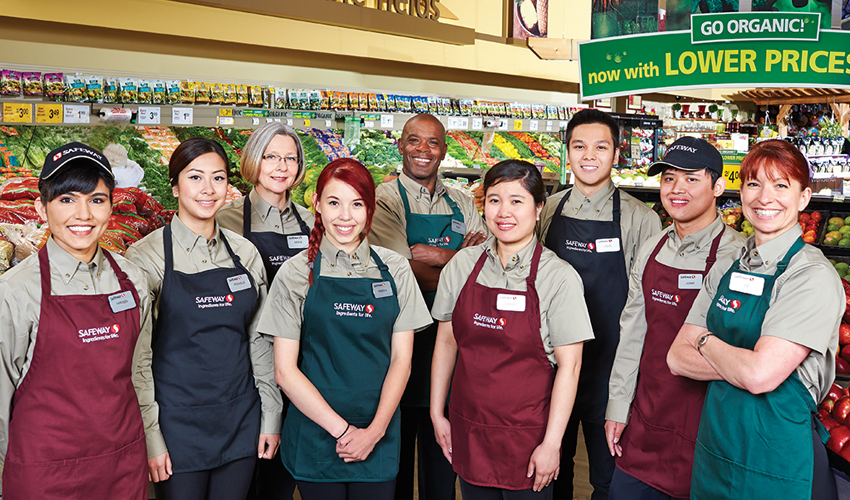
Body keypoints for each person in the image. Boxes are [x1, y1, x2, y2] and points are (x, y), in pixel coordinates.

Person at [668, 139, 842, 499]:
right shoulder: (728, 265)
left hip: (777, 461)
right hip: (717, 452)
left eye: (781, 185)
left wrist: (705, 341)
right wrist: (744, 366)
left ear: (804, 198)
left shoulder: (810, 275)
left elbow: (759, 375)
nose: (765, 197)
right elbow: (676, 358)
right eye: (753, 184)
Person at [259, 158, 431, 500]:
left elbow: (401, 360)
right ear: (317, 204)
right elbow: (284, 370)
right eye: (334, 203)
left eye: (357, 204)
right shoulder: (296, 273)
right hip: (316, 432)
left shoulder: (395, 269)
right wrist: (343, 431)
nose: (345, 216)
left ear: (370, 209)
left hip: (378, 431)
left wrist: (374, 431)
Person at [0, 142, 162, 499]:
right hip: (44, 472)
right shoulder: (16, 291)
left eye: (97, 200)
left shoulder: (133, 281)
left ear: (110, 206)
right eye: (67, 200)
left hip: (121, 466)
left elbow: (140, 371)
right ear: (43, 209)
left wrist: (152, 441)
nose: (83, 214)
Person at [126, 137, 282, 500]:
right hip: (176, 423)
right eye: (195, 177)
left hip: (240, 416)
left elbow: (259, 343)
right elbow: (138, 360)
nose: (208, 190)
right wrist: (151, 436)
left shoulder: (245, 253)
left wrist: (270, 416)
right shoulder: (145, 258)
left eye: (219, 178)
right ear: (175, 185)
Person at [431, 160, 592, 500]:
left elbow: (570, 366)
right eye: (494, 199)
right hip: (469, 429)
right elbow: (447, 341)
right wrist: (436, 412)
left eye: (516, 200)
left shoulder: (558, 277)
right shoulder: (462, 265)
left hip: (528, 437)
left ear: (538, 208)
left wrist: (552, 443)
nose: (504, 212)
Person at [604, 137, 746, 500]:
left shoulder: (739, 255)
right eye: (669, 178)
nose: (677, 189)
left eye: (691, 178)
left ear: (718, 186)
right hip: (647, 417)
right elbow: (632, 333)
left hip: (709, 423)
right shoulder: (651, 248)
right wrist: (618, 406)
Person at [537, 108, 660, 500]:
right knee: (550, 469)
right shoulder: (546, 211)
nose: (589, 155)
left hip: (611, 370)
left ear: (616, 152)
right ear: (568, 152)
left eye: (601, 146)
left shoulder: (641, 219)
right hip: (551, 367)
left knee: (608, 477)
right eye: (579, 146)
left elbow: (644, 306)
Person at [369, 113, 486, 500]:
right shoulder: (384, 200)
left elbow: (485, 265)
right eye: (414, 140)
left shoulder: (461, 200)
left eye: (433, 142)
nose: (423, 150)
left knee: (443, 459)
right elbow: (399, 272)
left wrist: (436, 255)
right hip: (401, 343)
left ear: (444, 150)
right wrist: (458, 260)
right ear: (400, 145)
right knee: (395, 462)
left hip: (453, 344)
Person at [217, 122, 314, 500]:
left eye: (290, 158)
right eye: (271, 156)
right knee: (249, 472)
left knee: (288, 469)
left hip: (303, 360)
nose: (281, 166)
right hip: (246, 364)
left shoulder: (312, 222)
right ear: (253, 160)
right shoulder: (225, 220)